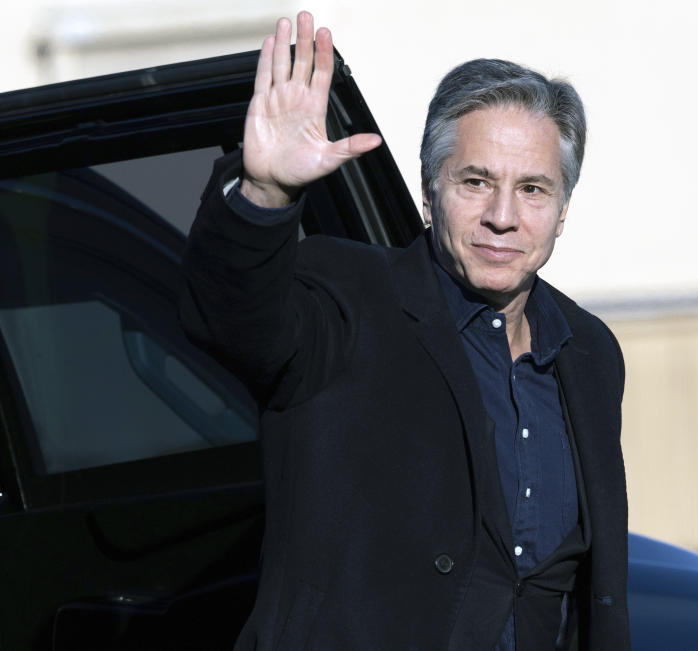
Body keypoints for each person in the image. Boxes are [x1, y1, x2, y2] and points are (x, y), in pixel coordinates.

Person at [180, 11, 629, 651]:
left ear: (562, 213)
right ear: (429, 192)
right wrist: (264, 192)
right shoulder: (348, 294)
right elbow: (230, 318)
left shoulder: (590, 353)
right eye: (476, 183)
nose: (503, 217)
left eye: (532, 189)